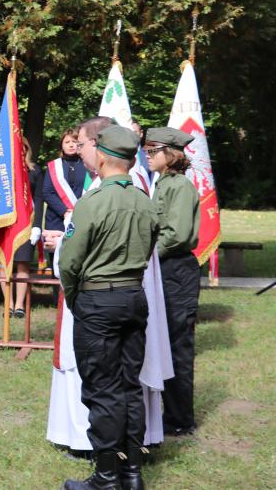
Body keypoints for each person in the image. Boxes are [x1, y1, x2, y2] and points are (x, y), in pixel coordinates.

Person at [58, 125, 158, 490]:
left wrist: (76, 298)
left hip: (98, 301)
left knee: (103, 389)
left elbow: (69, 261)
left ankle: (106, 478)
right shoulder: (145, 202)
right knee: (129, 386)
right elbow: (149, 248)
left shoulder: (93, 202)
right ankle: (132, 474)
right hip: (133, 296)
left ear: (102, 156)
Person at [144, 126, 201, 437]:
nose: (148, 156)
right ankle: (169, 413)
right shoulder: (163, 183)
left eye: (153, 151)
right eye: (147, 151)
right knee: (164, 341)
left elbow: (176, 234)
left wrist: (147, 256)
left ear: (172, 154)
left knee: (178, 345)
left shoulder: (179, 186)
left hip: (176, 270)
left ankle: (180, 418)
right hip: (165, 268)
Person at [8, 136, 45, 319]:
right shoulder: (3, 170)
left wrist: (37, 226)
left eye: (23, 147)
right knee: (6, 264)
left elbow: (39, 199)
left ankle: (19, 305)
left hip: (26, 224)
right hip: (6, 224)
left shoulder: (35, 171)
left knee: (23, 263)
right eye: (16, 147)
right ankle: (8, 303)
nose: (20, 150)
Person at [42, 128, 87, 234]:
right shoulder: (54, 166)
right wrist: (64, 211)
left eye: (74, 141)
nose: (71, 145)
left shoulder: (87, 165)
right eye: (67, 142)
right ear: (61, 145)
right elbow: (47, 192)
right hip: (56, 219)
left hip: (82, 216)